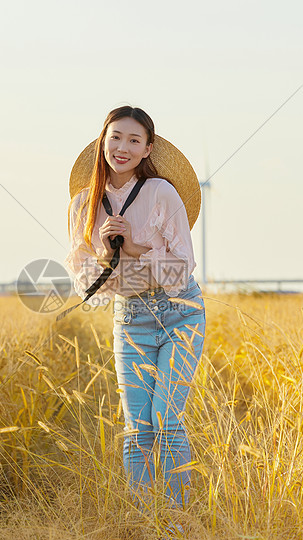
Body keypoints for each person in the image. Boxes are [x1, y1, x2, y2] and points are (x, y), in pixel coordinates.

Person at [65, 106, 206, 510]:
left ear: (147, 150)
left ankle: (176, 523)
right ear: (102, 141)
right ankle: (145, 522)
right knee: (137, 428)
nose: (122, 148)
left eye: (133, 140)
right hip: (130, 318)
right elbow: (84, 282)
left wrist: (134, 248)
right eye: (115, 137)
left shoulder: (162, 192)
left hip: (180, 312)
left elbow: (182, 268)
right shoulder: (82, 206)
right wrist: (103, 250)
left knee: (166, 420)